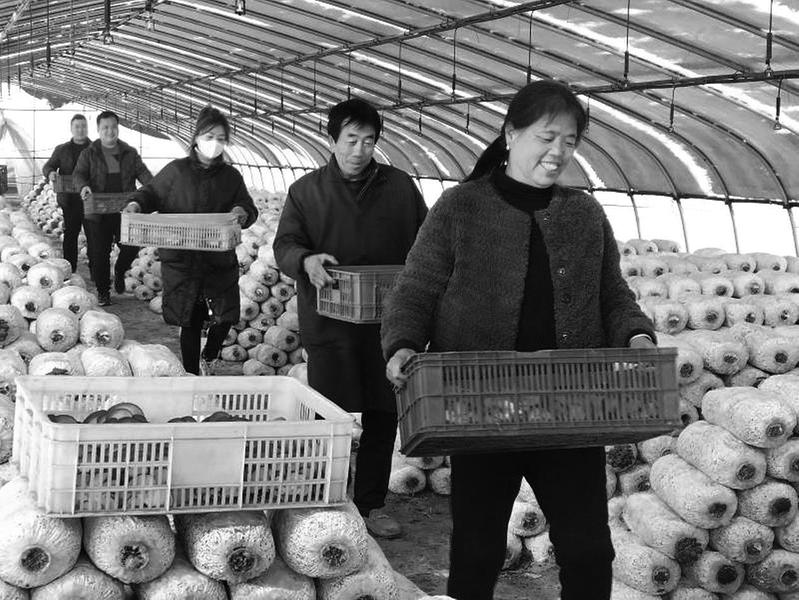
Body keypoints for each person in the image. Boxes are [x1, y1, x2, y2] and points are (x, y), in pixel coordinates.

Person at [381, 80, 657, 600]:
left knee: (588, 549)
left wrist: (637, 335)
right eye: (546, 137)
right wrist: (402, 343)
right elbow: (416, 288)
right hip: (482, 401)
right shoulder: (461, 207)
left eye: (570, 141)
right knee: (477, 549)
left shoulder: (583, 214)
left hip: (570, 402)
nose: (558, 152)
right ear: (510, 134)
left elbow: (612, 294)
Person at [273, 98, 428, 539]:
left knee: (383, 412)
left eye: (368, 140)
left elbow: (427, 240)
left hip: (386, 322)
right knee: (329, 413)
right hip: (330, 322)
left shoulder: (399, 187)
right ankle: (327, 498)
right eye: (351, 139)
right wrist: (305, 260)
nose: (359, 150)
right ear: (332, 140)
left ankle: (371, 504)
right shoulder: (307, 192)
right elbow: (285, 244)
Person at [124, 106, 256, 376]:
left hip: (218, 260)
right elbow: (151, 193)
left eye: (221, 138)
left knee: (226, 317)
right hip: (182, 260)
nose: (215, 143)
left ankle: (210, 353)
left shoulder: (230, 177)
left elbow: (247, 206)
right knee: (190, 320)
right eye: (209, 137)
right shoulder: (176, 172)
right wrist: (136, 203)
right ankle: (191, 375)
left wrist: (242, 211)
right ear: (196, 138)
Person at [73, 110, 153, 306]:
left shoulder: (129, 153)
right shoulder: (89, 153)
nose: (110, 131)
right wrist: (83, 186)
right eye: (105, 127)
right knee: (99, 253)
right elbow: (78, 174)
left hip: (125, 210)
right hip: (98, 211)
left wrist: (154, 189)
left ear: (118, 128)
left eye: (113, 127)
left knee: (131, 246)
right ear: (98, 130)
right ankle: (103, 291)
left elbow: (144, 174)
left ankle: (120, 269)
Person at [42, 114, 91, 273]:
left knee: (94, 236)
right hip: (69, 199)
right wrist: (50, 173)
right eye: (77, 126)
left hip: (91, 199)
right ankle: (70, 267)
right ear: (71, 128)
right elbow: (48, 166)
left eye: (83, 126)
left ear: (87, 128)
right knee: (71, 233)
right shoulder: (62, 150)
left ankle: (96, 270)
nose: (80, 129)